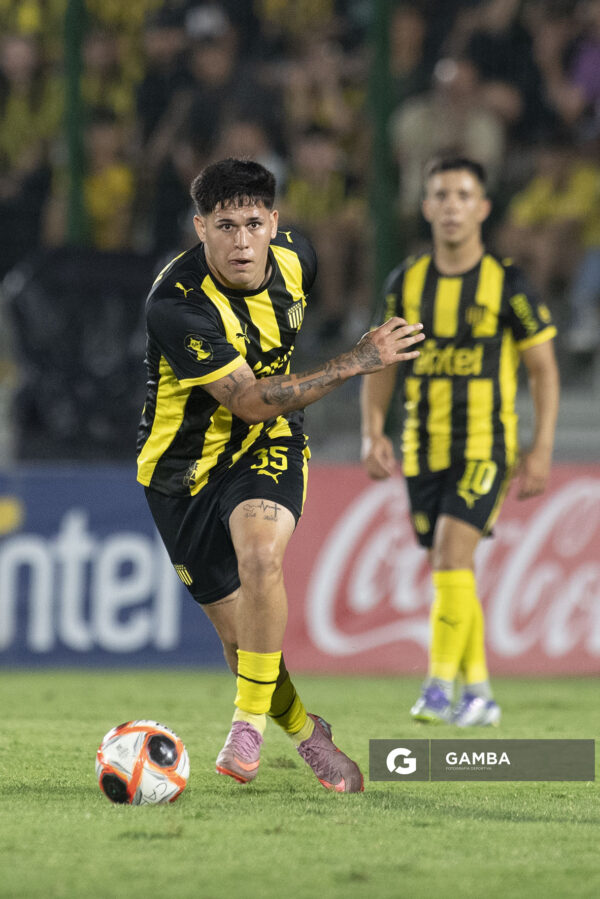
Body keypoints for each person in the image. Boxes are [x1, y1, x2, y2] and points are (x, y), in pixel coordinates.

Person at [136, 157, 424, 790]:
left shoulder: (299, 259)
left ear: (273, 221)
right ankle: (304, 731)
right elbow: (244, 399)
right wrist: (355, 362)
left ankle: (246, 726)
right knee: (241, 643)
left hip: (269, 440)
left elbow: (259, 413)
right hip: (182, 472)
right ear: (200, 228)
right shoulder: (177, 302)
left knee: (262, 556)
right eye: (224, 226)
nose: (241, 242)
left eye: (252, 224)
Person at [360, 156, 559, 727]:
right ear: (426, 207)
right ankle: (480, 694)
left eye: (463, 195)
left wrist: (541, 448)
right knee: (453, 569)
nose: (452, 206)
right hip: (423, 448)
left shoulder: (508, 283)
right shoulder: (406, 282)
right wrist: (373, 431)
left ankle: (438, 687)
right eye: (442, 195)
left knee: (450, 554)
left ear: (483, 208)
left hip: (484, 448)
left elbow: (543, 369)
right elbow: (381, 362)